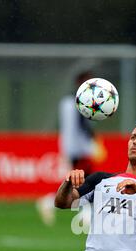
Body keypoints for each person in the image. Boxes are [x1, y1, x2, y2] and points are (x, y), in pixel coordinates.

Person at [36, 71, 95, 226]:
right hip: (80, 148)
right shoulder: (81, 102)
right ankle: (50, 202)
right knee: (85, 180)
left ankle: (85, 212)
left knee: (82, 181)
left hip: (69, 146)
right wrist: (92, 137)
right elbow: (82, 124)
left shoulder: (67, 101)